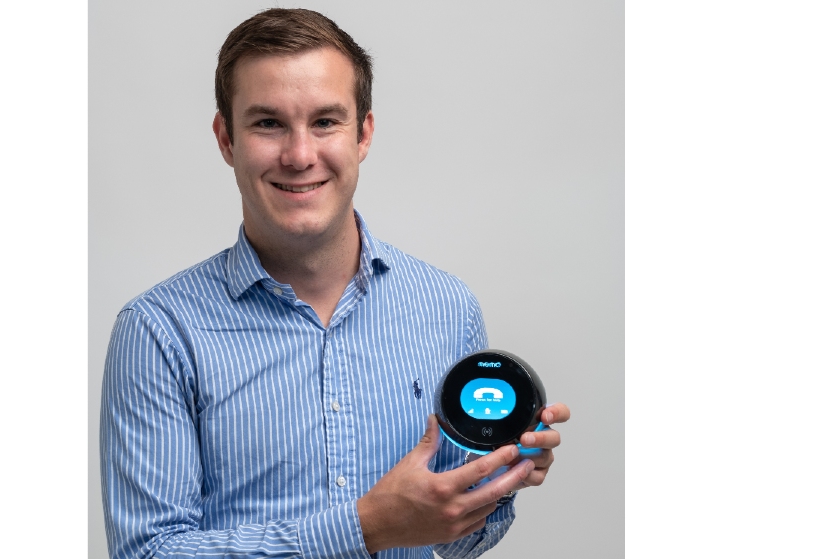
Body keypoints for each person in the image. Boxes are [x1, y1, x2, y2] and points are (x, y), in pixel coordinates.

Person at [100, 8, 570, 559]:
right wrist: (365, 527)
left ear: (363, 133)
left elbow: (459, 543)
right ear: (226, 139)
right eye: (268, 123)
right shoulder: (158, 332)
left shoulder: (447, 307)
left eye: (325, 121)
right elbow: (148, 553)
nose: (300, 156)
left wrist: (499, 477)